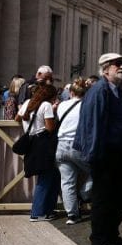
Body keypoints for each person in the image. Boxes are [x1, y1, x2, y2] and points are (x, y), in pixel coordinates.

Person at [74, 53, 122, 245]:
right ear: (106, 68)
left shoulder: (115, 89)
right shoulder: (99, 90)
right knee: (103, 198)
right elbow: (92, 125)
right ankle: (99, 243)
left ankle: (112, 236)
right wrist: (94, 154)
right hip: (104, 154)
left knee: (118, 196)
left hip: (117, 153)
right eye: (118, 64)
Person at [16, 84, 59, 221]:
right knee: (46, 177)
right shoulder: (46, 105)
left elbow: (17, 118)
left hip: (31, 143)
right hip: (43, 143)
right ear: (50, 96)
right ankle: (38, 212)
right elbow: (50, 127)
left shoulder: (28, 102)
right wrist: (54, 111)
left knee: (49, 176)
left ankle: (47, 210)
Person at [55, 78, 92, 225]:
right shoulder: (86, 106)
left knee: (67, 181)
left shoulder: (62, 105)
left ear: (70, 92)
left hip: (61, 145)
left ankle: (72, 215)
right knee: (98, 170)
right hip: (78, 146)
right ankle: (83, 196)